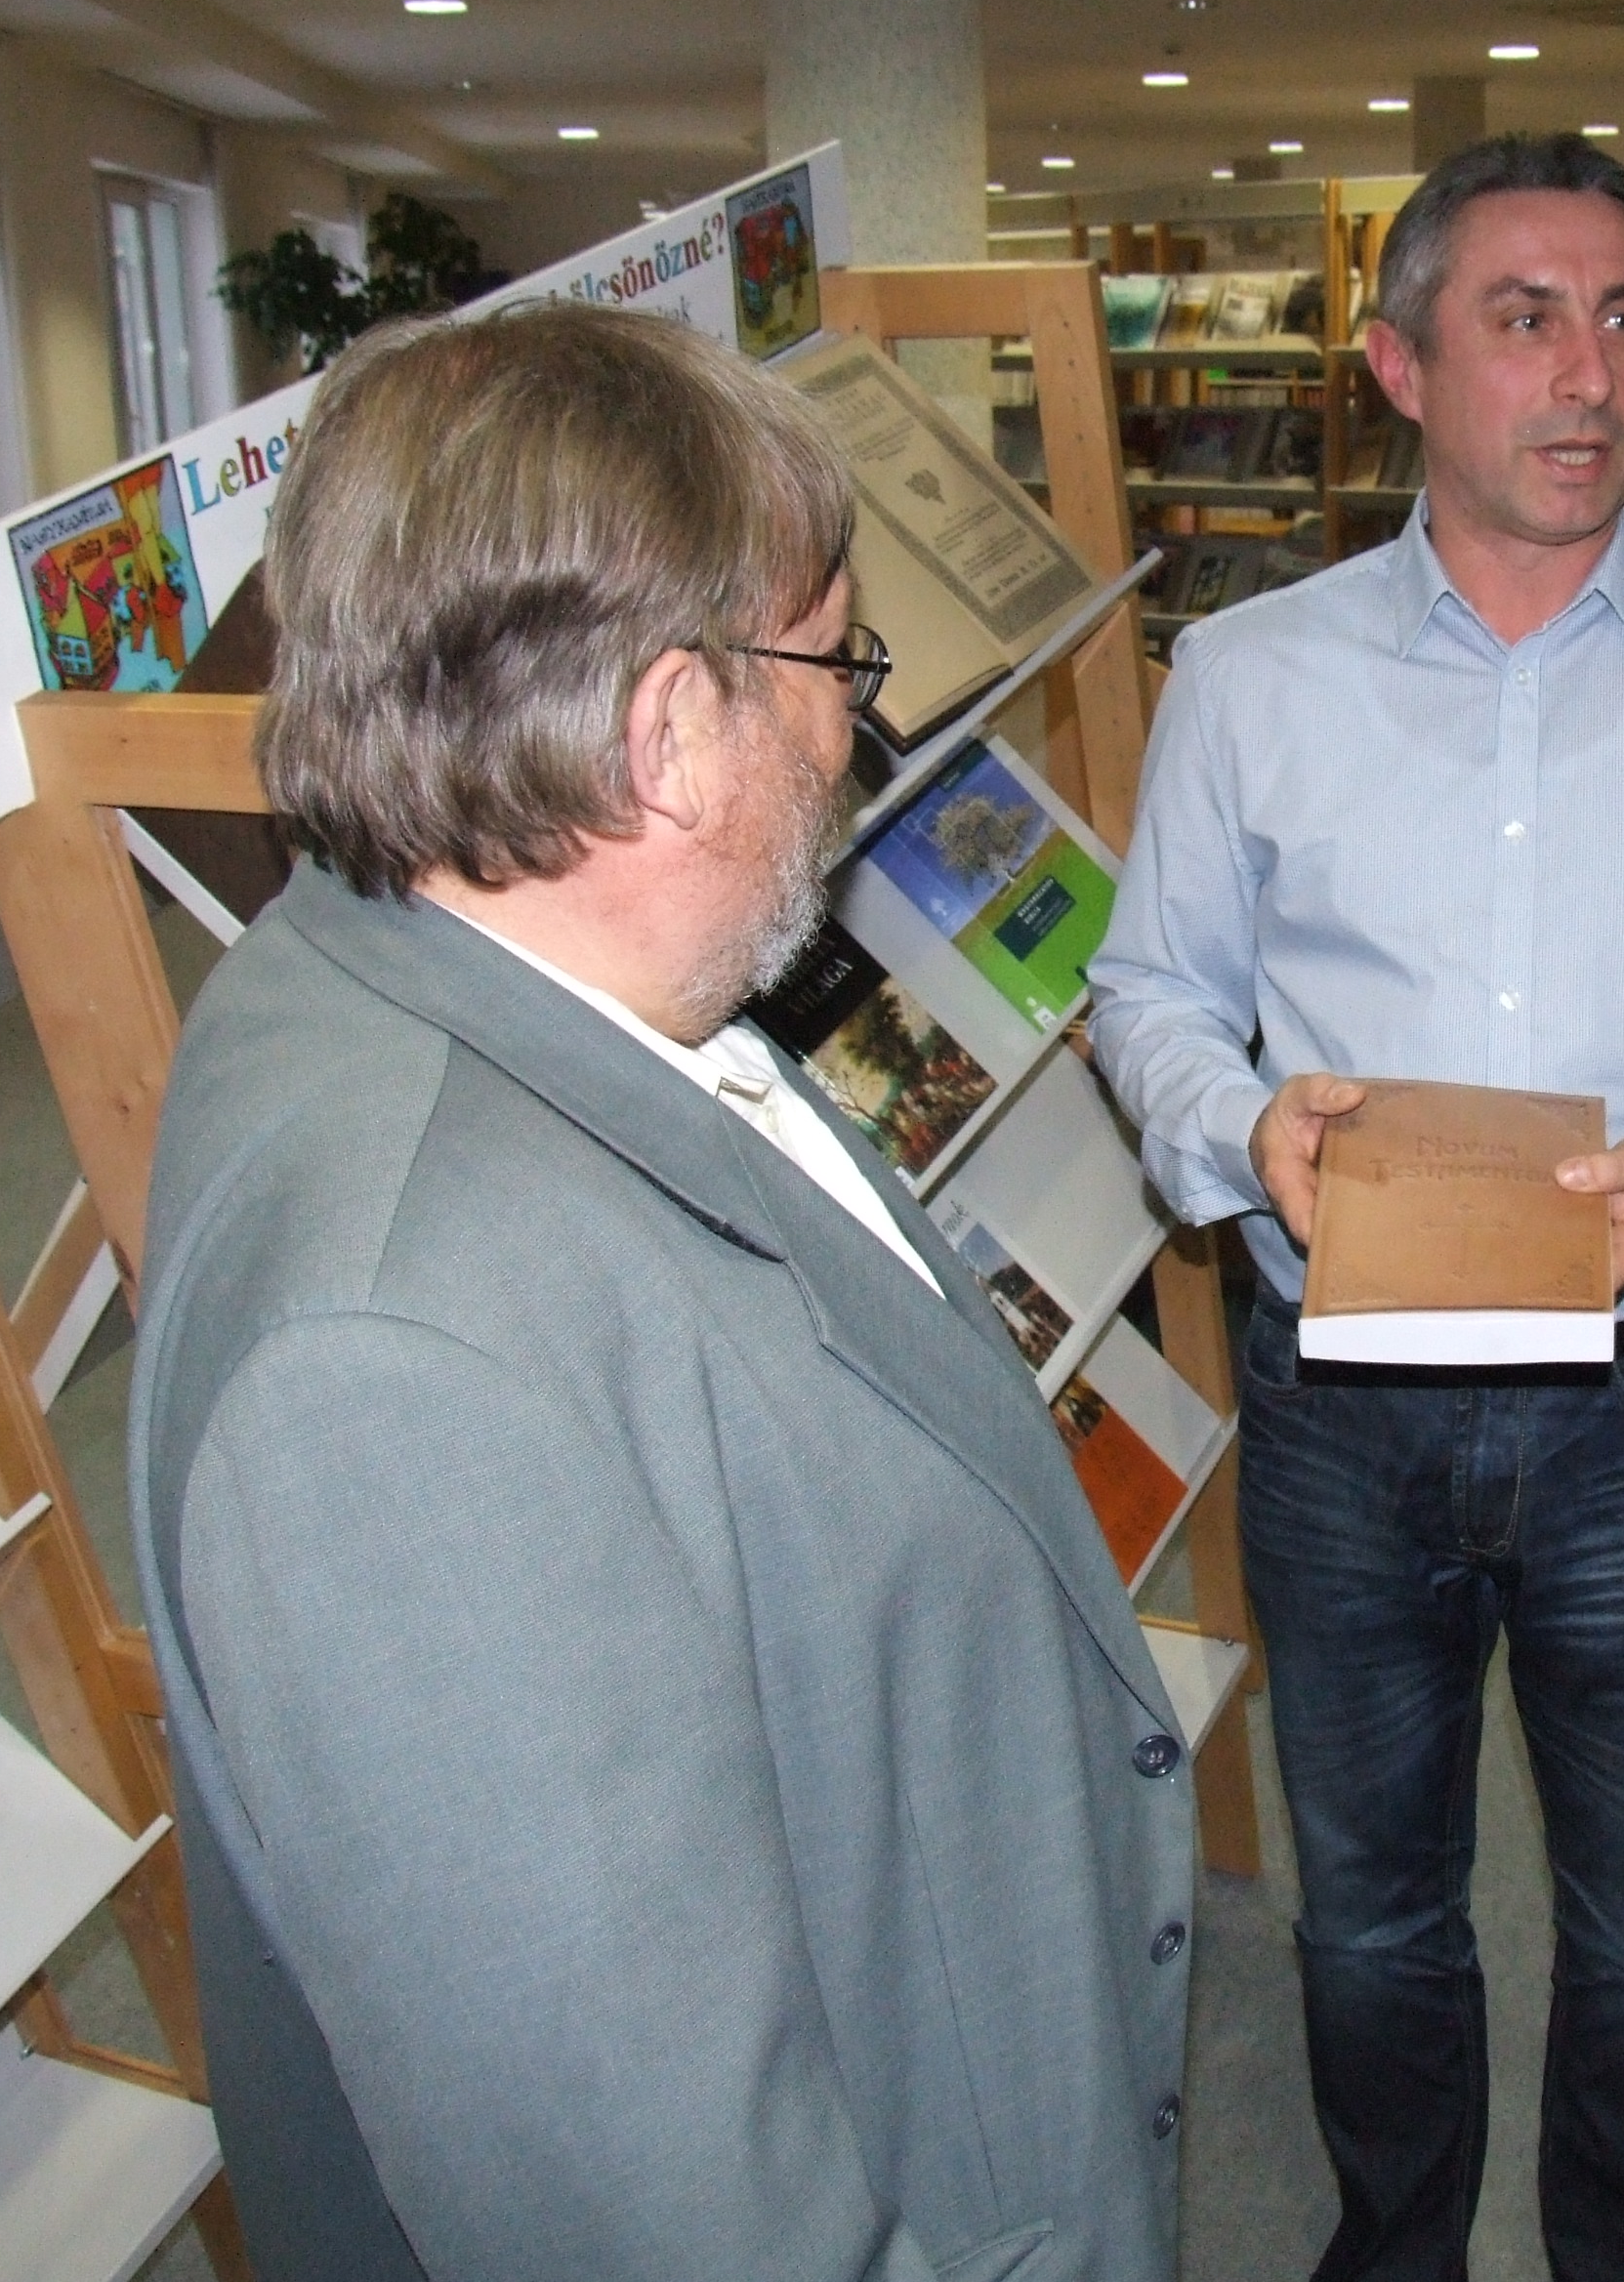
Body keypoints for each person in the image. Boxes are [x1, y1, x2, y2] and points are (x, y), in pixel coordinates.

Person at [128, 305, 1197, 2282]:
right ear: (669, 730)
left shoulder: (494, 963)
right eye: (832, 666)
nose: (853, 734)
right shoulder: (397, 1366)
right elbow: (651, 2204)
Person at [1088, 135, 1624, 2282]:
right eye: (1525, 318)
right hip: (1339, 1392)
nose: (1589, 374)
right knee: (1369, 1922)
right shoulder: (1251, 676)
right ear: (1397, 365)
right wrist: (1242, 1132)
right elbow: (1148, 994)